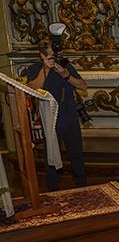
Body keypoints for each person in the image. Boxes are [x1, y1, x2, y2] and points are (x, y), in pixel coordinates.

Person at [27, 39, 88, 192]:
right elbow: (33, 88)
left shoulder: (65, 65)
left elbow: (83, 86)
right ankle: (53, 189)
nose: (56, 57)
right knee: (51, 157)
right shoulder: (35, 69)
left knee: (77, 155)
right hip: (51, 121)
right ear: (42, 55)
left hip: (70, 118)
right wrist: (46, 70)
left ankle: (82, 186)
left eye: (56, 53)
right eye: (51, 55)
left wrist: (66, 75)